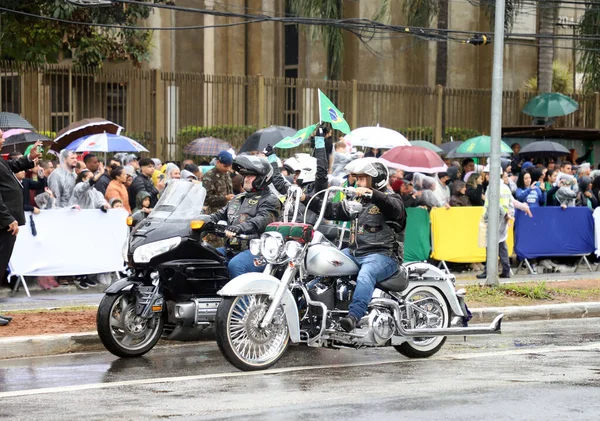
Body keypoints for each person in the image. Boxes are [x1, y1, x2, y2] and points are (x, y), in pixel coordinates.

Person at [303, 158, 405, 332]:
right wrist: (306, 199)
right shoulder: (356, 203)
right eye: (357, 179)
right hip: (354, 252)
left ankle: (354, 316)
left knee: (366, 274)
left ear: (376, 179)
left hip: (383, 255)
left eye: (362, 179)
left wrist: (372, 194)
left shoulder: (392, 199)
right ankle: (309, 311)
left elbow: (394, 209)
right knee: (324, 265)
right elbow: (330, 209)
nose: (358, 183)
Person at [209, 155, 281, 278]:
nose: (246, 179)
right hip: (231, 248)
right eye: (245, 176)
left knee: (236, 265)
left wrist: (239, 228)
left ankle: (245, 298)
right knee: (207, 258)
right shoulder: (238, 198)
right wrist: (199, 220)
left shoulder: (270, 200)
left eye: (251, 176)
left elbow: (263, 219)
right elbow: (218, 215)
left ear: (262, 178)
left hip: (258, 251)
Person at [0, 137, 43, 325]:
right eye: (0, 136)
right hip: (3, 223)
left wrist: (29, 158)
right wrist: (7, 218)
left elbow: (10, 165)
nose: (3, 139)